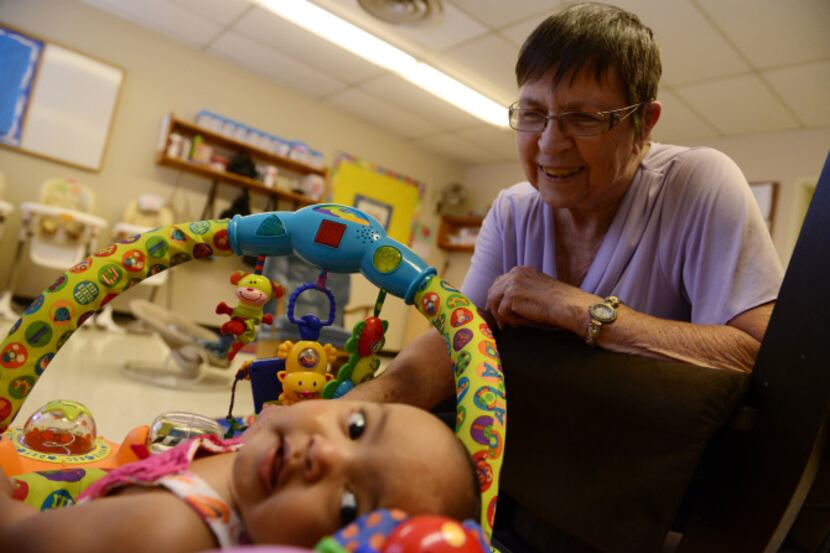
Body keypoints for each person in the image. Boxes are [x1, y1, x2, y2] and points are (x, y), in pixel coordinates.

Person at [348, 1, 783, 411]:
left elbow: (762, 355)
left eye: (585, 118)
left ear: (643, 124)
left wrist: (576, 309)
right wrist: (359, 407)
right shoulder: (512, 211)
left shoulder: (696, 184)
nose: (550, 144)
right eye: (534, 114)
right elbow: (459, 339)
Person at [0, 400, 481, 553]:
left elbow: (17, 536)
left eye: (349, 505)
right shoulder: (265, 465)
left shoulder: (167, 530)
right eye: (355, 426)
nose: (324, 453)